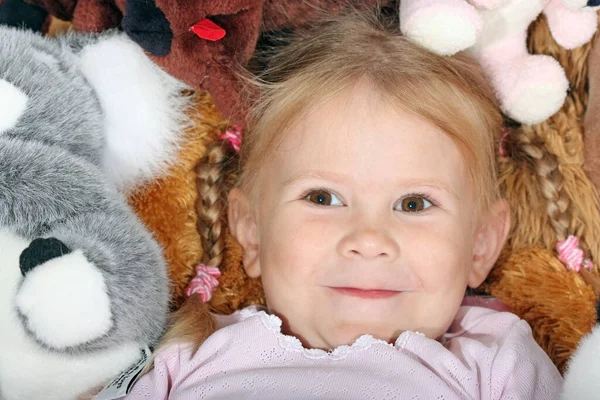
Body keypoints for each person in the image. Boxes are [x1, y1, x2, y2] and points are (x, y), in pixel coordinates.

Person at [124, 10, 562, 399]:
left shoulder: (496, 362)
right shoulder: (185, 355)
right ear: (253, 230)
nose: (369, 240)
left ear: (480, 244)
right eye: (323, 198)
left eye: (413, 204)